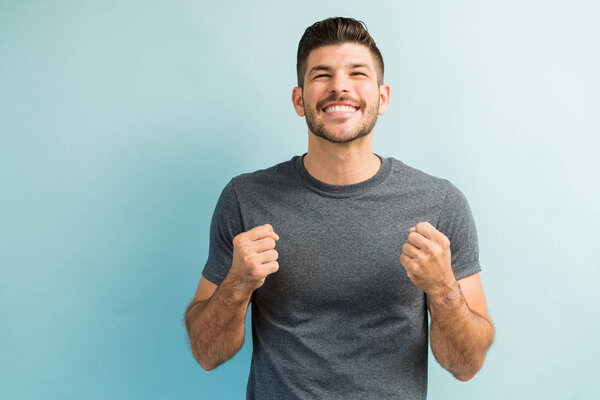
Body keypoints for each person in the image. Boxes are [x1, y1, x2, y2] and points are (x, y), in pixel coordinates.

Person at [184, 16, 495, 399]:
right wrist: (237, 284)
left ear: (382, 98)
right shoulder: (245, 199)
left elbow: (466, 366)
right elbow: (206, 354)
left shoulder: (440, 204)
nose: (340, 87)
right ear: (299, 100)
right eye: (321, 75)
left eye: (357, 73)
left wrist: (443, 289)